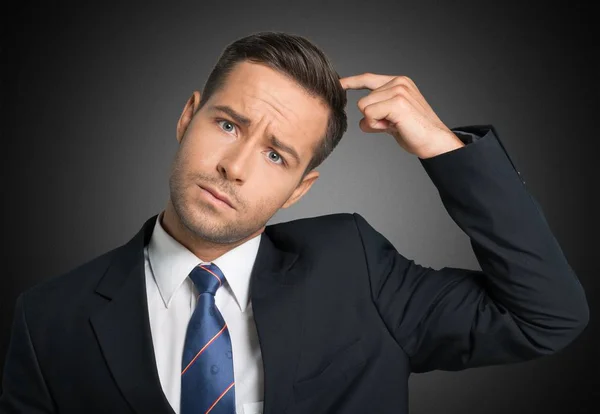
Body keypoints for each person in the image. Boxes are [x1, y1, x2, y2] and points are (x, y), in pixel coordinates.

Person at [0, 31, 589, 414]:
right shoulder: (49, 318)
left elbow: (546, 316)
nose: (234, 166)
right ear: (187, 117)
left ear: (299, 189)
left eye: (276, 155)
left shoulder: (355, 266)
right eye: (228, 124)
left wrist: (442, 148)